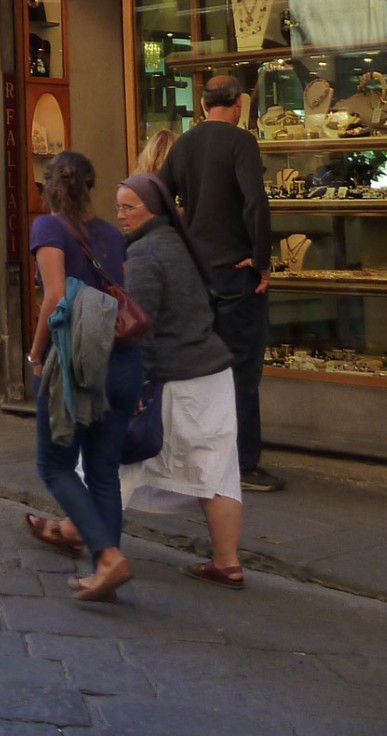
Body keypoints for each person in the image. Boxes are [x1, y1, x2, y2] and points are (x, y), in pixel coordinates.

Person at [115, 173, 247, 588]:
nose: (119, 215)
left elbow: (141, 324)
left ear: (151, 209)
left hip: (176, 380)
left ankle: (78, 534)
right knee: (220, 471)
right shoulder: (182, 244)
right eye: (117, 206)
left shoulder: (146, 253)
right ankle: (227, 562)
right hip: (213, 375)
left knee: (118, 460)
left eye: (128, 207)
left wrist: (134, 383)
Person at [24, 150, 141, 602]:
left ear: (48, 187)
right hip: (124, 360)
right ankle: (103, 572)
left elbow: (55, 296)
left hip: (76, 362)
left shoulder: (48, 227)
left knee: (53, 465)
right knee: (103, 471)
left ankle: (108, 557)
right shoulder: (112, 234)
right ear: (90, 187)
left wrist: (36, 353)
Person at [160, 76, 279, 492]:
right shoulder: (240, 141)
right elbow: (255, 202)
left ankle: (198, 456)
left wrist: (183, 243)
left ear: (203, 103)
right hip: (235, 272)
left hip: (199, 274)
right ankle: (244, 465)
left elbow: (159, 197)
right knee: (242, 372)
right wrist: (262, 261)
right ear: (240, 104)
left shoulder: (185, 144)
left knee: (201, 369)